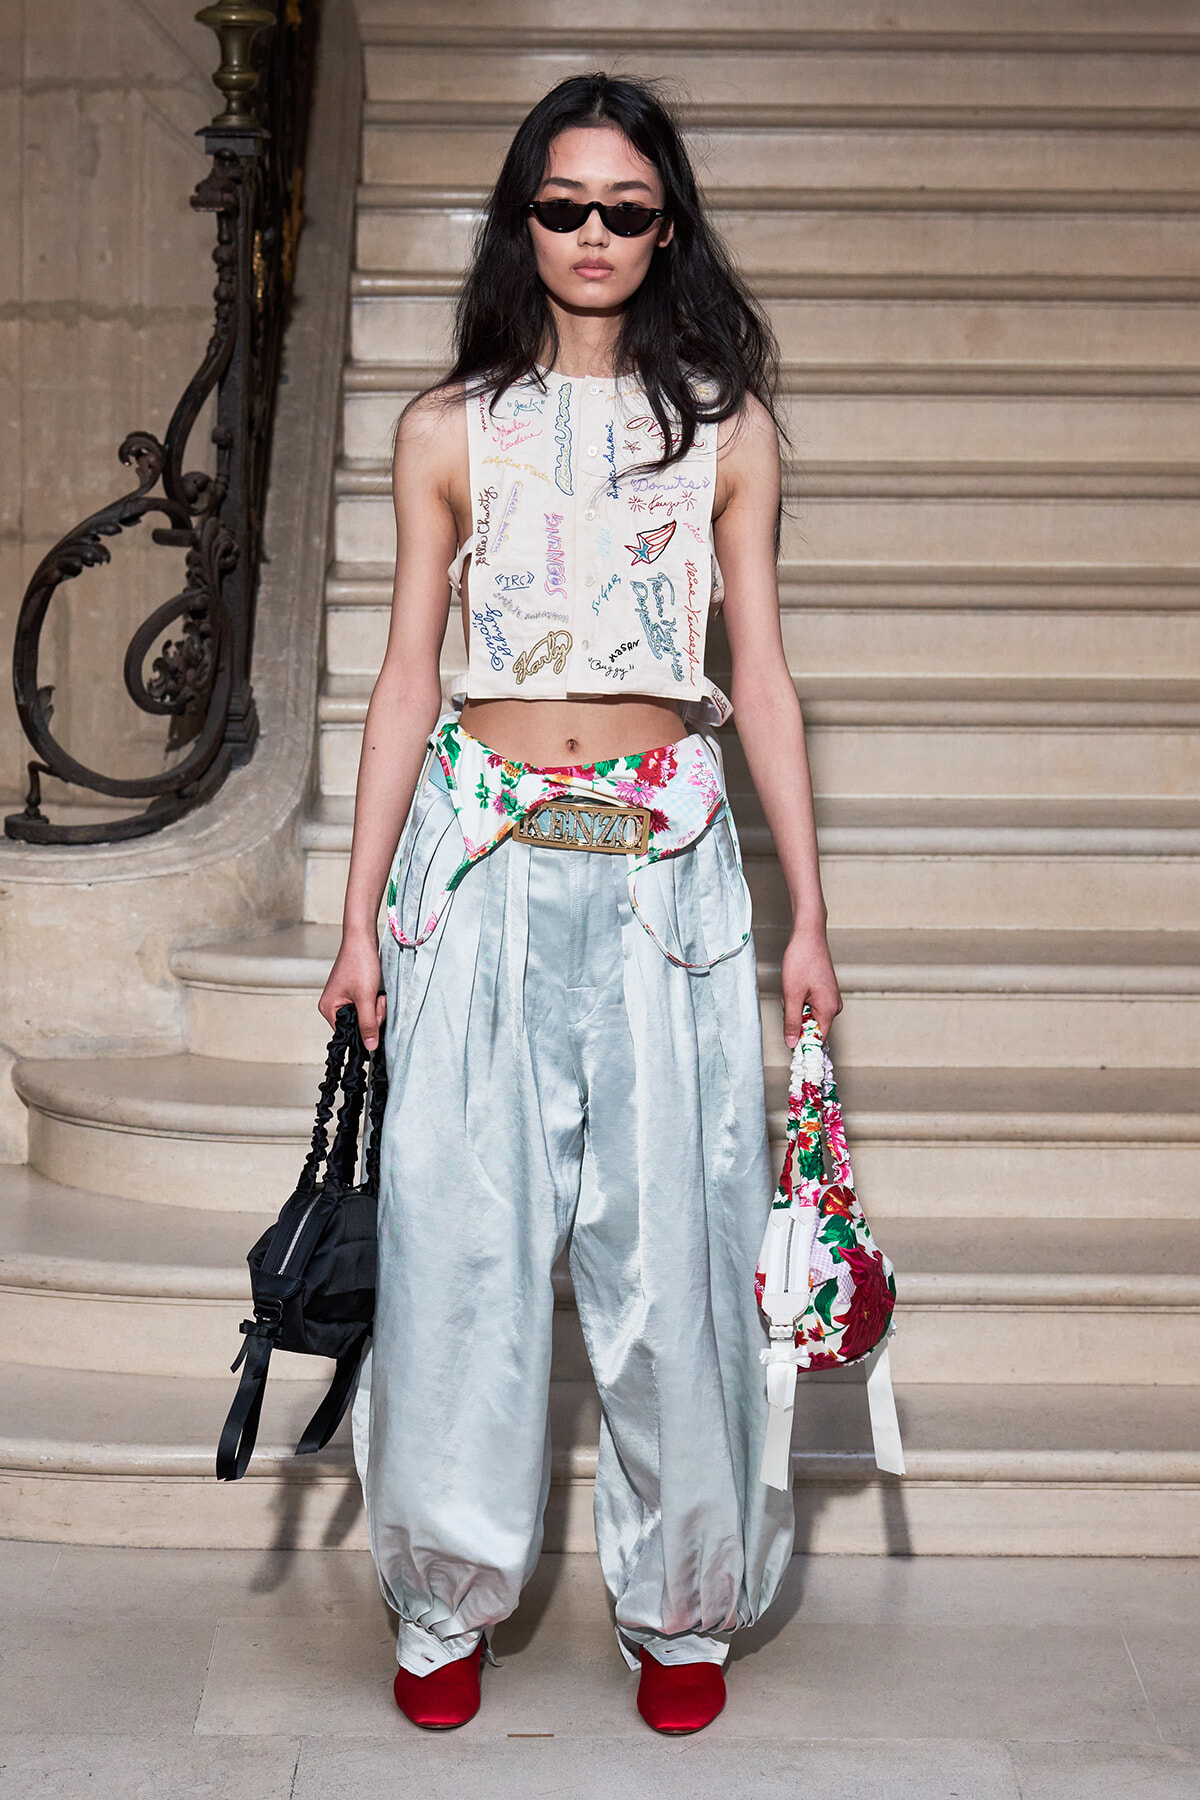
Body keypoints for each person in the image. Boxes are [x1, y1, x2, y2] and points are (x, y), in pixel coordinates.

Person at [318, 71, 841, 1736]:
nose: (595, 234)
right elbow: (406, 677)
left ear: (665, 221)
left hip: (668, 867)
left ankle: (682, 1609)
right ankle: (444, 1597)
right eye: (563, 207)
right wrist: (352, 925)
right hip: (472, 852)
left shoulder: (727, 429)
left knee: (674, 1242)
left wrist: (811, 917)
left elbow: (759, 674)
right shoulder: (446, 428)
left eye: (625, 209)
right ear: (521, 219)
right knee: (461, 1242)